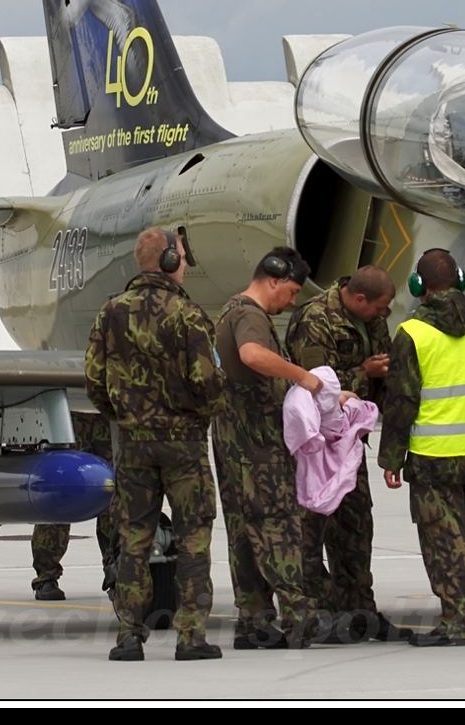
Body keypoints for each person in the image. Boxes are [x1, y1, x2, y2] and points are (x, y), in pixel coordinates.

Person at [84, 227, 224, 662]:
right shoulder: (189, 315)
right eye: (181, 255)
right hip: (183, 445)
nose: (184, 261)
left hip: (134, 446)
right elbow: (209, 383)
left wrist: (125, 416)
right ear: (167, 261)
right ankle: (191, 636)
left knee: (135, 541)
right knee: (193, 539)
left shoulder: (111, 313)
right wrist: (202, 414)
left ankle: (129, 634)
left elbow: (93, 381)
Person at [379, 249, 465, 647]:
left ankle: (458, 621)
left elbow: (401, 403)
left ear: (419, 286)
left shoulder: (413, 335)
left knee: (445, 540)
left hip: (433, 458)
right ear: (461, 279)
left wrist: (391, 459)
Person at [285, 264, 413, 643]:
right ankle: (318, 612)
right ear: (359, 299)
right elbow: (311, 386)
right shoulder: (314, 319)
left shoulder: (373, 320)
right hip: (318, 449)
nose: (382, 316)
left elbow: (385, 370)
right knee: (310, 532)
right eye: (378, 308)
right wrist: (363, 373)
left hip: (350, 446)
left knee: (357, 529)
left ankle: (361, 612)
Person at [213, 246, 333, 650]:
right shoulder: (250, 315)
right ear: (274, 280)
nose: (293, 301)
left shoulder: (231, 309)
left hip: (234, 440)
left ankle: (254, 621)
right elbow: (252, 354)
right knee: (276, 523)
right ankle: (300, 616)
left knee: (244, 532)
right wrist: (304, 378)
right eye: (293, 292)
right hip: (256, 443)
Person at [30, 410, 118, 601]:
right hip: (69, 416)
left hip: (107, 416)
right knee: (60, 491)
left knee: (113, 494)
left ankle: (117, 572)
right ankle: (46, 576)